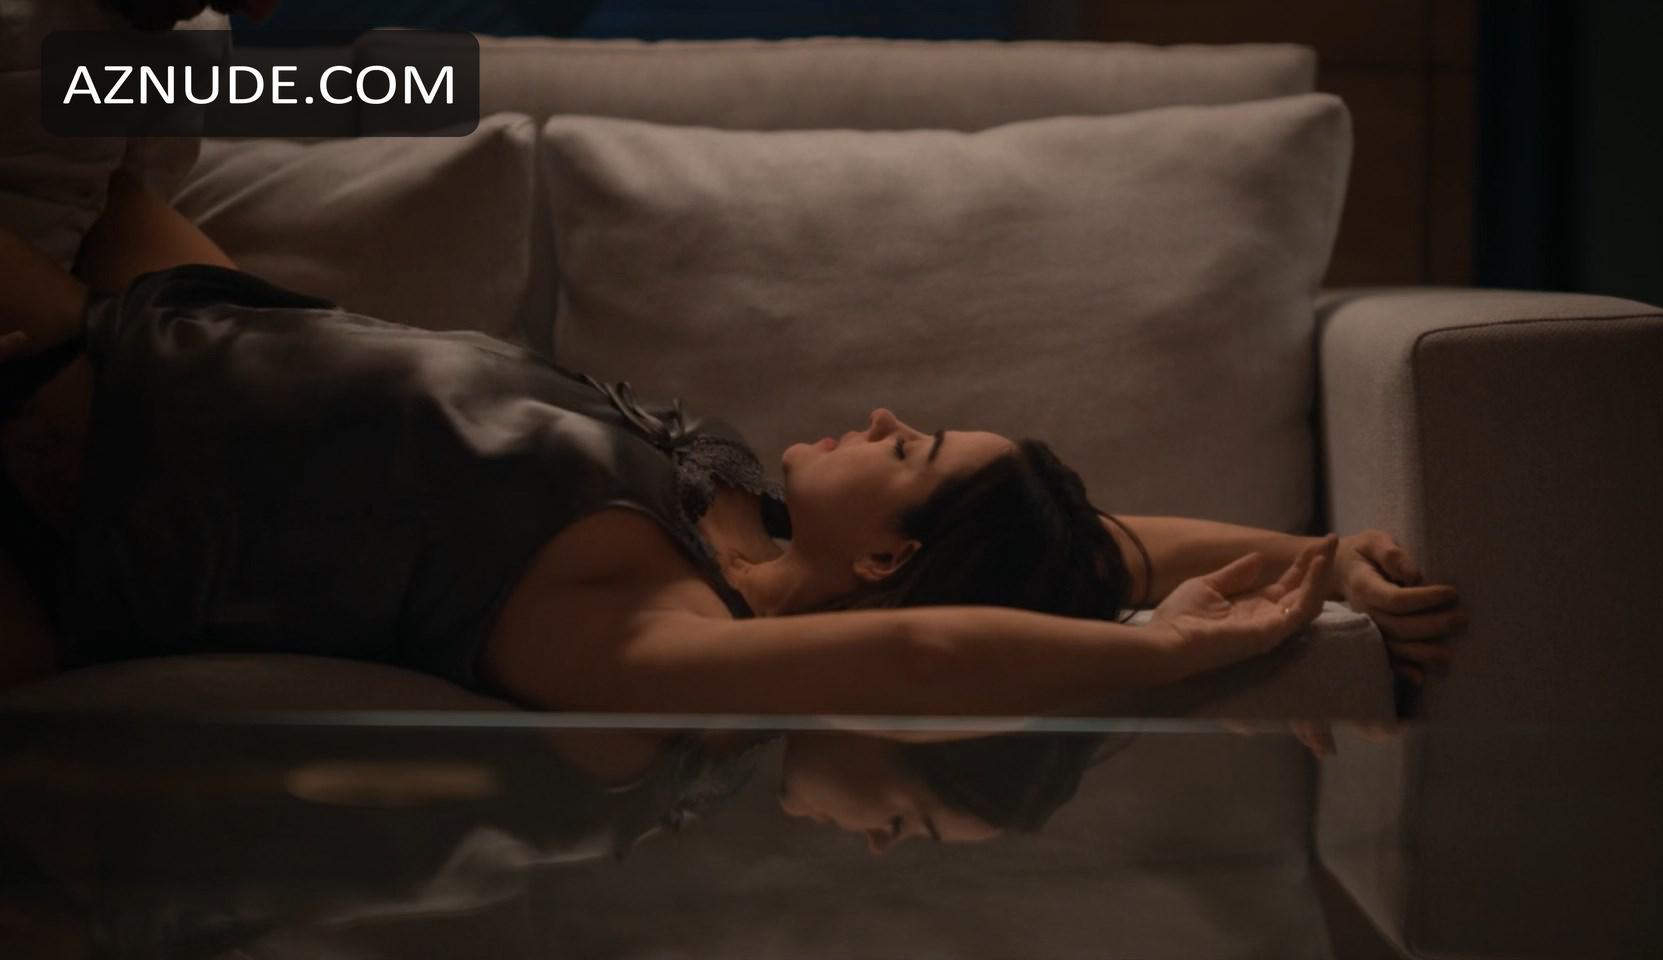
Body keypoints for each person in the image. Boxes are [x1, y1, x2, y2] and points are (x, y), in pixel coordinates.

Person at [0, 167, 1463, 859]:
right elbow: (1102, 549)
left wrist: (1163, 656)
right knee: (120, 81)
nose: (883, 417)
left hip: (65, 460)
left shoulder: (657, 642)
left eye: (911, 447)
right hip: (167, 313)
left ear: (886, 556)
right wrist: (1317, 555)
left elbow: (929, 653)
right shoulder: (741, 516)